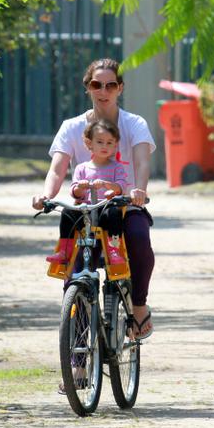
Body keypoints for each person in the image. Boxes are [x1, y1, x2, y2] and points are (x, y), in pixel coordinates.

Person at [32, 58, 155, 340]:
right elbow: (57, 168)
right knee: (75, 276)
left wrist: (138, 190)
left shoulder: (134, 124)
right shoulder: (72, 127)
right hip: (88, 210)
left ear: (120, 88)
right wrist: (46, 196)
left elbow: (142, 163)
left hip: (123, 206)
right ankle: (76, 365)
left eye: (111, 84)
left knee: (138, 236)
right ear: (87, 87)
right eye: (97, 84)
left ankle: (138, 304)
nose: (104, 90)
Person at [46, 119, 128, 266]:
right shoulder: (82, 168)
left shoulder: (117, 167)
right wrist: (80, 187)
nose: (105, 146)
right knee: (67, 212)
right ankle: (65, 250)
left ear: (115, 145)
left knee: (114, 213)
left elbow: (121, 186)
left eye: (110, 143)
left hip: (105, 209)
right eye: (100, 142)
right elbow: (75, 192)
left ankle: (113, 250)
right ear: (89, 143)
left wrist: (107, 186)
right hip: (86, 211)